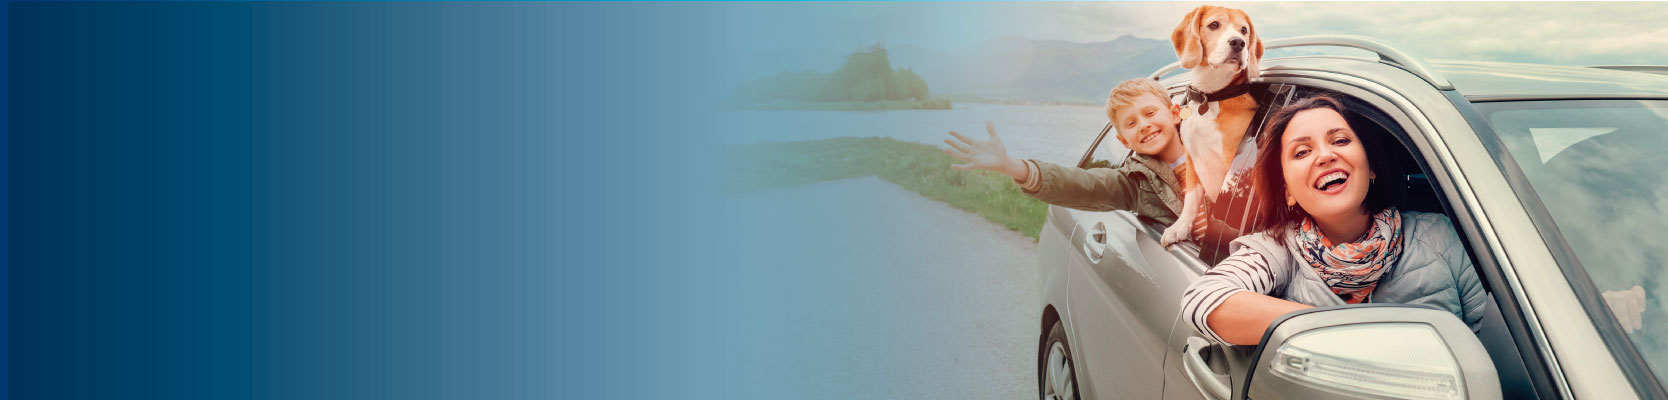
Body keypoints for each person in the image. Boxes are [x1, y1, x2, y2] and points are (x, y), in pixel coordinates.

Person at [1179, 95, 1487, 345]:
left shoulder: (1440, 236)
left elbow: (1488, 343)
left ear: (1371, 168)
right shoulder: (1278, 250)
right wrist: (1348, 337)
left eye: (1340, 141)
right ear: (1287, 190)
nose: (1325, 156)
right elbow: (1203, 299)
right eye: (1302, 152)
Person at [942, 78, 1195, 226]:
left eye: (1150, 113)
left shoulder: (1218, 146)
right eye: (1131, 123)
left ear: (1174, 113)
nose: (1144, 125)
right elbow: (1081, 184)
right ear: (1124, 141)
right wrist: (1010, 165)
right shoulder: (1134, 182)